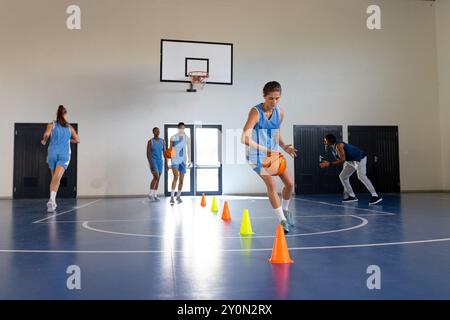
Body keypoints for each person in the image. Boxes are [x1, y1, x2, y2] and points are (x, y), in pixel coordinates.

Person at [242, 81, 297, 233]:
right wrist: (264, 149)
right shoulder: (255, 112)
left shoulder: (280, 113)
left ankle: (285, 210)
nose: (274, 102)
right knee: (272, 184)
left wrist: (285, 146)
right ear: (264, 97)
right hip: (256, 156)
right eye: (271, 98)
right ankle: (282, 221)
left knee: (290, 184)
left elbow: (275, 134)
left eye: (277, 98)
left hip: (273, 155)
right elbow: (244, 139)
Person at [320, 134, 383, 205]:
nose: (324, 142)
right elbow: (342, 158)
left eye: (325, 140)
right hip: (350, 161)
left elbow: (342, 160)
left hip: (359, 158)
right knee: (343, 176)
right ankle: (352, 196)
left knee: (361, 176)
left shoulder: (339, 145)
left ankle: (375, 196)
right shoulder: (332, 147)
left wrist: (329, 164)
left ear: (330, 140)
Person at [41, 105, 80, 212]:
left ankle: (52, 202)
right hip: (64, 154)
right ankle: (52, 200)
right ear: (65, 114)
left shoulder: (51, 124)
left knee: (54, 178)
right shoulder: (69, 127)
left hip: (52, 153)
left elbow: (46, 134)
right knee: (57, 178)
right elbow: (77, 140)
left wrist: (44, 140)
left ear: (57, 114)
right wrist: (68, 140)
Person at [169, 122, 191, 204]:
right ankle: (172, 197)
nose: (182, 129)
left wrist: (189, 160)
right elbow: (170, 150)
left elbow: (188, 149)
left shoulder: (187, 138)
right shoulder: (173, 137)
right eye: (181, 128)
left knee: (181, 180)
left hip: (183, 161)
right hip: (174, 160)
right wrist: (168, 161)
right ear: (178, 128)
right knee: (175, 177)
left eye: (183, 128)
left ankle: (178, 196)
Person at [146, 127, 168, 201]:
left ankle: (155, 195)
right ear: (153, 132)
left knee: (158, 178)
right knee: (156, 176)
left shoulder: (163, 141)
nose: (157, 132)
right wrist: (150, 163)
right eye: (155, 131)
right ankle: (150, 193)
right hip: (153, 161)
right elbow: (148, 154)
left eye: (158, 131)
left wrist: (166, 163)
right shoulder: (150, 142)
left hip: (160, 161)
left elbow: (165, 153)